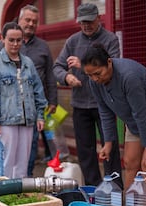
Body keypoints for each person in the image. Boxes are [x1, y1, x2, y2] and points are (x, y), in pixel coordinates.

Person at [82, 44, 146, 206]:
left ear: (109, 62)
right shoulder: (95, 82)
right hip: (136, 122)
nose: (95, 79)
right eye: (90, 75)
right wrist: (108, 142)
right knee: (129, 162)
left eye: (98, 74)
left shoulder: (128, 76)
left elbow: (141, 113)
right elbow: (105, 111)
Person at [53, 3, 123, 188]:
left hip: (105, 104)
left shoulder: (110, 39)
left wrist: (82, 67)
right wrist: (67, 77)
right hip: (80, 104)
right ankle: (94, 191)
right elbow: (57, 67)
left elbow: (113, 68)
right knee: (85, 152)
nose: (86, 25)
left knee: (111, 148)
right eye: (82, 22)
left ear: (98, 18)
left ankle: (114, 190)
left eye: (89, 21)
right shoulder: (72, 41)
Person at [0, 5, 59, 176]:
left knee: (30, 147)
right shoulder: (3, 45)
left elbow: (50, 77)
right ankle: (8, 184)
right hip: (8, 110)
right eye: (27, 20)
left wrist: (52, 101)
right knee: (9, 152)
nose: (31, 24)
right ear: (19, 19)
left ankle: (25, 180)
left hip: (33, 107)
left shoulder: (43, 46)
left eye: (34, 22)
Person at [0, 22, 48, 179]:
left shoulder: (28, 63)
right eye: (11, 40)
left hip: (27, 121)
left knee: (23, 163)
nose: (15, 44)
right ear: (3, 39)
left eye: (19, 40)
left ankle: (19, 195)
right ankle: (5, 195)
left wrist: (40, 115)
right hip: (5, 122)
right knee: (6, 161)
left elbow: (38, 90)